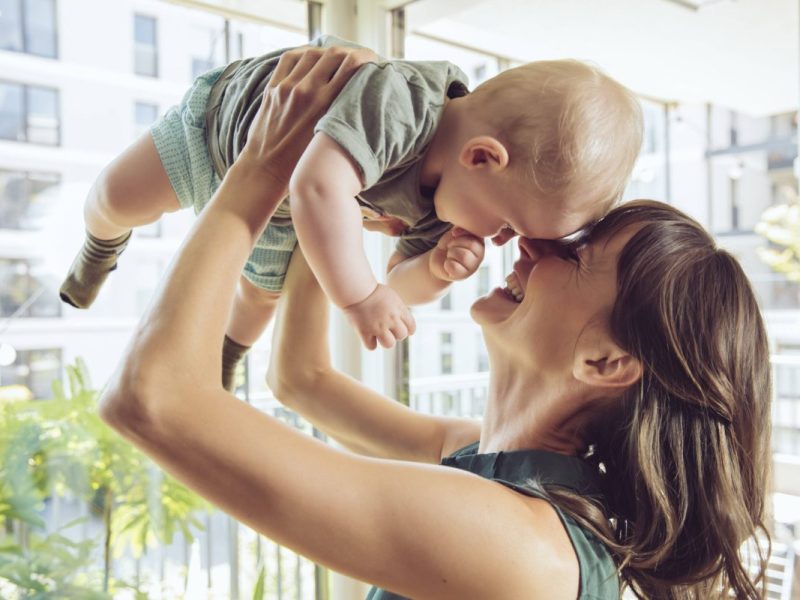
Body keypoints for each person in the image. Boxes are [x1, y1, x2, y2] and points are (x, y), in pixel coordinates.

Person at [98, 47, 771, 599]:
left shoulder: (521, 544)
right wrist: (339, 170)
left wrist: (260, 167)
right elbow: (301, 379)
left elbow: (151, 400)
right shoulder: (497, 468)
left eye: (575, 254)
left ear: (604, 362)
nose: (526, 247)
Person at [60, 34, 643, 389]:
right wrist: (359, 299)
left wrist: (433, 272)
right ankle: (100, 245)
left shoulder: (450, 206)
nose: (496, 241)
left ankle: (226, 356)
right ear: (483, 157)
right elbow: (319, 185)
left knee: (261, 296)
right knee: (117, 197)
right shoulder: (403, 103)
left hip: (280, 210)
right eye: (509, 225)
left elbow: (396, 281)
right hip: (222, 135)